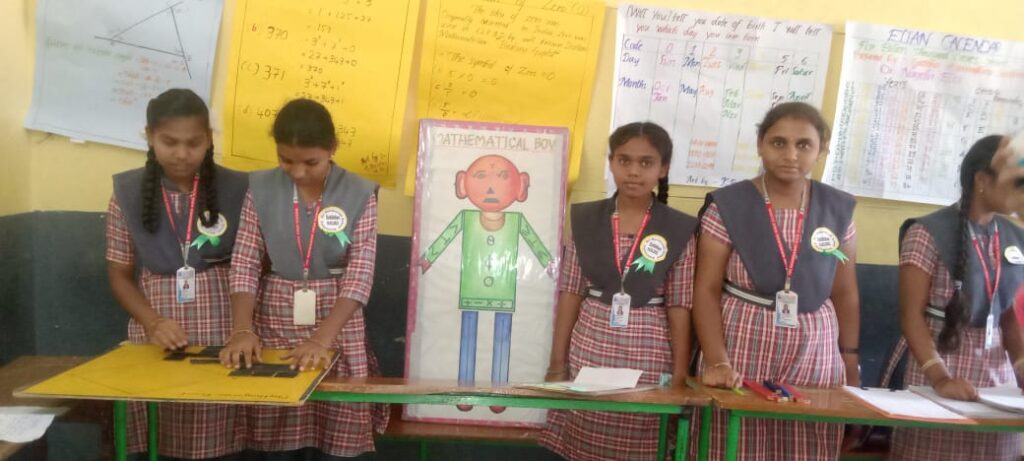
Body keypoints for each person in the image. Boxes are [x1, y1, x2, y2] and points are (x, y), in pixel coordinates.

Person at [693, 102, 860, 460]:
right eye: (779, 142)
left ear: (822, 149)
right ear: (760, 144)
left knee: (806, 443)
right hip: (741, 345)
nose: (791, 155)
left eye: (804, 145)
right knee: (733, 443)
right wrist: (717, 361)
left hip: (815, 353)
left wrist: (850, 358)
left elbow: (845, 291)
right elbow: (705, 289)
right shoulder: (728, 205)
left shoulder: (837, 210)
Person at [219, 98, 385, 458]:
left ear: (332, 148)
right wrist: (242, 329)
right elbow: (245, 262)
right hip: (275, 318)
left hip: (337, 322)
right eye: (285, 160)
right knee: (277, 433)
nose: (297, 172)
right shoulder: (260, 188)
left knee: (336, 429)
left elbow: (360, 273)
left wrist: (322, 340)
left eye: (311, 162)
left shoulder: (358, 193)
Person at [539, 122, 697, 460]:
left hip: (650, 354)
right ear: (611, 162)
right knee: (587, 431)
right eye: (624, 160)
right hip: (591, 346)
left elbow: (679, 305)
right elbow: (571, 292)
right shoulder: (587, 220)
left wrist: (680, 374)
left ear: (663, 169)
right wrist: (557, 363)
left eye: (646, 162)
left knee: (644, 435)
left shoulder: (678, 228)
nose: (634, 171)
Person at [106, 88, 248, 458]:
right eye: (169, 142)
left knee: (220, 440)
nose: (182, 154)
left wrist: (241, 330)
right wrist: (152, 322)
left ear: (209, 140)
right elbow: (120, 273)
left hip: (223, 331)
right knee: (159, 436)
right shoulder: (126, 193)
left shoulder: (239, 189)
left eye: (193, 143)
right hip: (156, 333)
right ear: (150, 136)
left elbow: (253, 268)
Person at [883, 135, 1024, 461]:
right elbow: (911, 315)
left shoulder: (1013, 237)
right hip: (937, 370)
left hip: (997, 383)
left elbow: (1007, 314)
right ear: (982, 180)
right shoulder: (927, 232)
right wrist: (941, 378)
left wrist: (1020, 364)